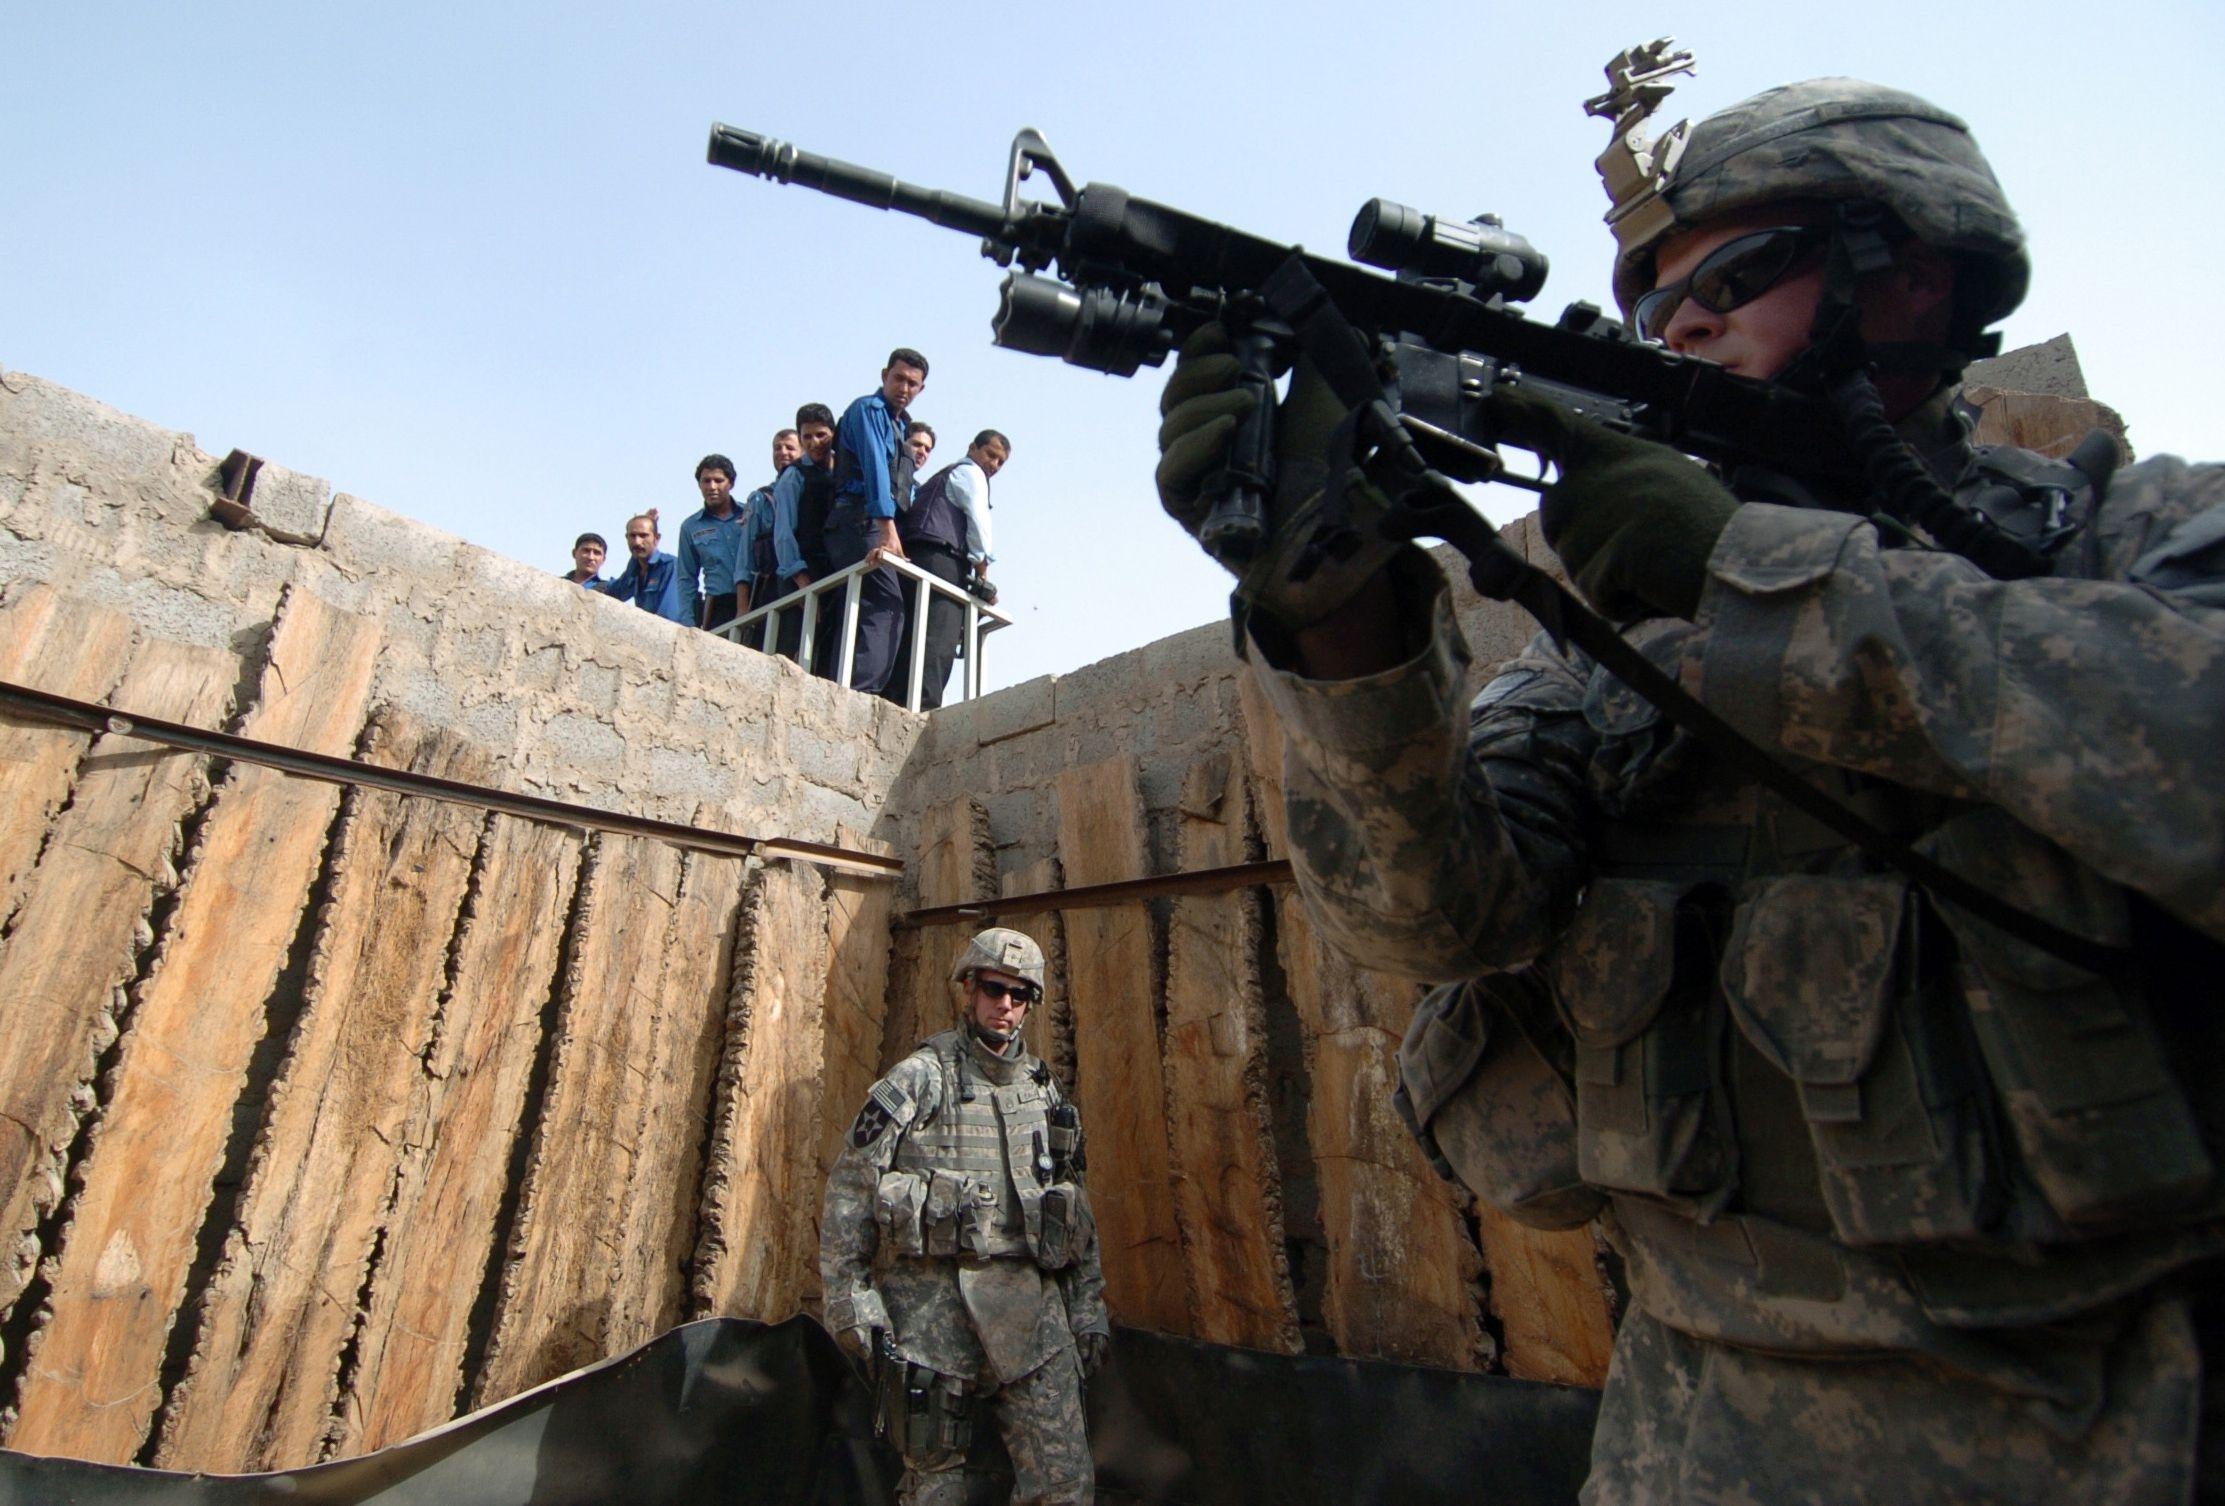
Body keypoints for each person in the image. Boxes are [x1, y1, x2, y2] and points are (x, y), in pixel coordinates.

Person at [1153, 69, 2225, 1504]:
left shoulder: (2130, 536)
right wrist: (1337, 622)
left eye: (1734, 275)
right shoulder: (1619, 645)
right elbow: (1436, 924)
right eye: (1657, 313)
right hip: (1694, 1431)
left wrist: (1763, 583)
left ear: (1907, 274)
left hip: (2111, 1418)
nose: (1685, 327)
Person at [822, 928, 1108, 1505]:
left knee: (1065, 1482)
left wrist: (1087, 1309)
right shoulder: (918, 1078)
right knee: (935, 1485)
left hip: (1031, 1307)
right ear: (969, 990)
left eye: (1020, 994)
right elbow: (851, 1188)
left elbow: (1074, 1209)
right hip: (931, 1310)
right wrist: (852, 1302)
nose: (1005, 1005)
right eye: (994, 989)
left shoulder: (1043, 1090)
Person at [822, 348, 929, 690]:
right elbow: (874, 468)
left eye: (913, 383)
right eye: (899, 378)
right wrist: (886, 528)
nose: (904, 388)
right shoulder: (868, 410)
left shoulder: (899, 427)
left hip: (871, 521)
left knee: (867, 602)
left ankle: (848, 685)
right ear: (884, 376)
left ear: (921, 390)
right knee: (885, 604)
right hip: (859, 519)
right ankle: (858, 692)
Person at [885, 429, 1009, 711]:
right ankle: (924, 706)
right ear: (972, 447)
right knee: (939, 634)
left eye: (1001, 463)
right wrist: (983, 575)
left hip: (918, 553)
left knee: (912, 630)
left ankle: (897, 698)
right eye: (991, 455)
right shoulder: (970, 473)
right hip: (942, 557)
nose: (993, 465)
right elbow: (979, 523)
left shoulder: (938, 478)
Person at [765, 405, 838, 663]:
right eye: (806, 437)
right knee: (794, 651)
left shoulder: (842, 471)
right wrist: (801, 580)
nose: (814, 442)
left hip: (831, 568)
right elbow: (783, 533)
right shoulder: (793, 476)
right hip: (800, 574)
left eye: (820, 435)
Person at [737, 428, 803, 650]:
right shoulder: (760, 499)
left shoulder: (812, 487)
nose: (783, 452)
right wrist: (743, 607)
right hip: (771, 586)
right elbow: (744, 557)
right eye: (777, 448)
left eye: (790, 447)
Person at [675, 453, 751, 633]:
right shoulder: (690, 527)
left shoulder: (750, 513)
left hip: (756, 595)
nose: (712, 487)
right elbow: (686, 578)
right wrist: (688, 624)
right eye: (706, 481)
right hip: (719, 606)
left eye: (718, 480)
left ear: (730, 483)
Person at [598, 512, 688, 623]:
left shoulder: (670, 566)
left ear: (657, 538)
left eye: (643, 535)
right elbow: (613, 595)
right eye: (632, 536)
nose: (637, 542)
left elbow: (668, 617)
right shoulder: (634, 571)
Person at [905, 420, 937, 496]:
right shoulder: (886, 477)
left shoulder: (918, 493)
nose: (922, 452)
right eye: (917, 444)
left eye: (927, 450)